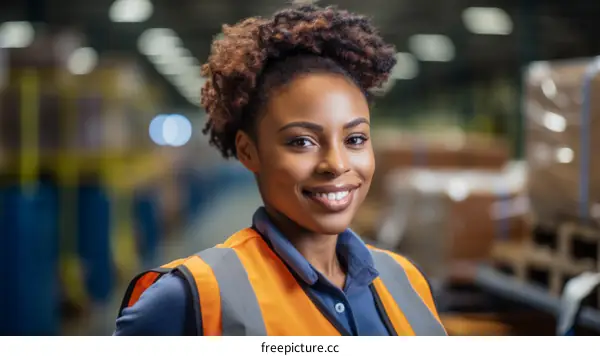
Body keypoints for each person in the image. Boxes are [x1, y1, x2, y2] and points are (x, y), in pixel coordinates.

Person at [114, 4, 446, 336]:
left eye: (355, 138)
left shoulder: (408, 281)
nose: (337, 164)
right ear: (248, 151)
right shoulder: (192, 297)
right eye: (302, 142)